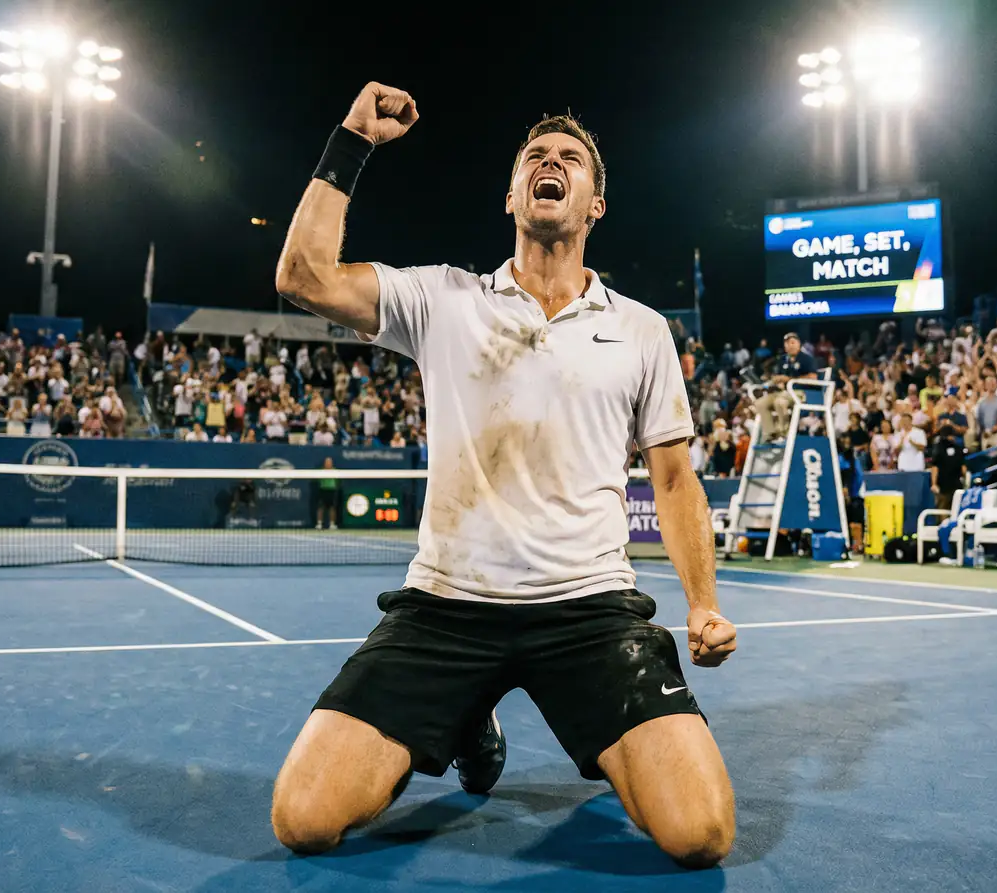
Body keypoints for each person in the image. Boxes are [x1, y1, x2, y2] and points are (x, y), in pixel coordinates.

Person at [269, 84, 736, 867]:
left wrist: (703, 605)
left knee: (700, 833)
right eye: (535, 158)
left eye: (571, 160)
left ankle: (499, 710)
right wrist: (353, 139)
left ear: (594, 206)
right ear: (513, 194)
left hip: (589, 612)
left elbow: (675, 479)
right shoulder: (443, 300)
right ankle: (466, 713)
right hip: (445, 609)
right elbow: (303, 275)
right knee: (302, 819)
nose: (551, 163)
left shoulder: (642, 331)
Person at [315, 457, 340, 530]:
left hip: (332, 490)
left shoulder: (335, 471)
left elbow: (338, 481)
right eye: (327, 462)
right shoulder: (321, 471)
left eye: (330, 462)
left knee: (332, 508)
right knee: (320, 507)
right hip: (323, 490)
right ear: (325, 463)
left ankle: (332, 524)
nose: (328, 464)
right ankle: (319, 524)